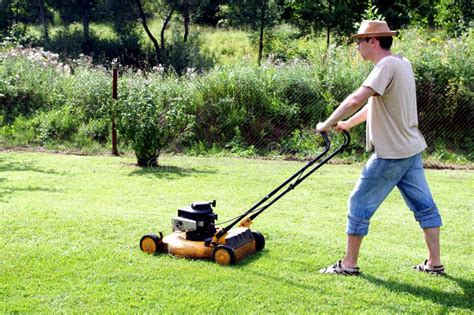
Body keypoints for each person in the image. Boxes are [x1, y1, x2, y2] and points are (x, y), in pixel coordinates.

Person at [316, 20, 445, 276]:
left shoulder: (385, 66)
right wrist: (348, 124)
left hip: (391, 154)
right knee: (425, 207)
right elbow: (376, 104)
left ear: (373, 41)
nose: (357, 47)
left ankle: (349, 265)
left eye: (359, 42)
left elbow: (356, 98)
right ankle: (434, 264)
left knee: (358, 202)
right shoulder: (401, 63)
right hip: (410, 149)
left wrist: (326, 124)